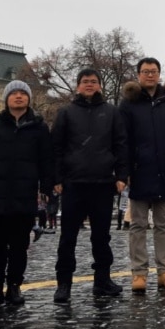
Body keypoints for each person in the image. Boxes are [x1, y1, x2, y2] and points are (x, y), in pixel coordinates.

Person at [0, 79, 53, 308]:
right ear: (7, 99)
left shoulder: (39, 128)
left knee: (19, 247)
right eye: (14, 93)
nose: (19, 96)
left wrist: (47, 188)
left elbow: (46, 161)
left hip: (24, 196)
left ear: (28, 98)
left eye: (23, 93)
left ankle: (15, 286)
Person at [51, 68, 128, 304]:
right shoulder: (66, 113)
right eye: (85, 81)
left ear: (100, 86)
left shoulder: (112, 113)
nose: (89, 85)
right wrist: (56, 179)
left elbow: (121, 145)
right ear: (77, 86)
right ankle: (64, 283)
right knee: (68, 237)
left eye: (94, 81)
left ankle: (102, 280)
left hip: (103, 183)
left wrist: (121, 176)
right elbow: (55, 148)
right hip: (73, 183)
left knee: (101, 237)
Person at [119, 57, 165, 293]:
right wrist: (125, 169)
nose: (150, 75)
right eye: (145, 71)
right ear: (138, 74)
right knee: (137, 225)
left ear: (159, 74)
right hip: (139, 171)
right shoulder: (128, 104)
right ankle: (139, 274)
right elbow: (122, 139)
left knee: (162, 225)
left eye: (154, 71)